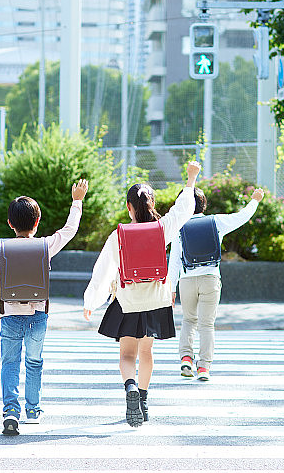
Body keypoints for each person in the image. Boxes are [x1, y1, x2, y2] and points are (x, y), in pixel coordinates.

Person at [83, 161, 201, 427]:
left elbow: (103, 270)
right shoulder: (163, 229)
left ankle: (130, 388)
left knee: (127, 354)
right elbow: (183, 210)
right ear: (152, 204)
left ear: (129, 207)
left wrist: (91, 300)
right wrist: (191, 179)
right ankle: (144, 401)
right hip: (156, 301)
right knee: (146, 351)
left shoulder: (119, 235)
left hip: (128, 301)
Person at [0, 179, 88, 436]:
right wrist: (77, 201)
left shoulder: (1, 248)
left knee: (9, 363)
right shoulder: (44, 246)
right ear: (37, 222)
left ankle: (10, 411)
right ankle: (33, 410)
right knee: (34, 361)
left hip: (10, 315)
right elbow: (70, 230)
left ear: (10, 223)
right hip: (38, 314)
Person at [167, 186, 264, 381]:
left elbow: (175, 260)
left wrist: (170, 288)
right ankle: (204, 367)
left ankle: (186, 358)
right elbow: (242, 217)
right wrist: (255, 200)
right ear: (204, 204)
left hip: (186, 280)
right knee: (207, 325)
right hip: (210, 278)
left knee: (188, 320)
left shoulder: (179, 227)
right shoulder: (216, 221)